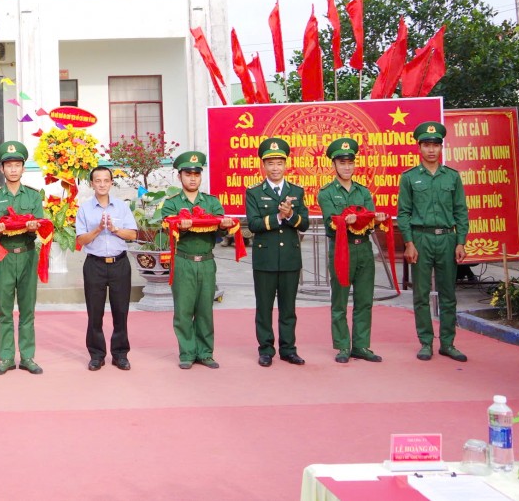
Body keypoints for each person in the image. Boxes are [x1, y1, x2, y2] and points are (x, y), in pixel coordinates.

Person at [398, 121, 469, 362]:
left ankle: (448, 343)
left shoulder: (451, 176)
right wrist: (408, 242)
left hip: (448, 238)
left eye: (435, 145)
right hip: (421, 238)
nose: (431, 150)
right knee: (421, 294)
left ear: (441, 148)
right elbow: (404, 213)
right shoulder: (409, 178)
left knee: (448, 293)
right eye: (426, 145)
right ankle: (426, 342)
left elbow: (461, 211)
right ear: (419, 147)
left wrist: (461, 241)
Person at [161, 151, 235, 370]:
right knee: (183, 309)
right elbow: (167, 231)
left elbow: (220, 230)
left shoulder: (211, 202)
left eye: (196, 174)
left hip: (206, 261)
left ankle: (205, 352)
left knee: (205, 309)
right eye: (187, 174)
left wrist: (224, 226)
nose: (192, 178)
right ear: (179, 176)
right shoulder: (172, 204)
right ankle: (187, 352)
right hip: (183, 261)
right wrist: (179, 228)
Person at [316, 138, 387, 365]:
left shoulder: (363, 191)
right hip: (341, 249)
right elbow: (331, 222)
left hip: (364, 248)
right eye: (342, 162)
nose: (347, 167)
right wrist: (350, 220)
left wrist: (377, 218)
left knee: (365, 299)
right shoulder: (326, 192)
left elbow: (370, 218)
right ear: (334, 165)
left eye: (350, 162)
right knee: (340, 300)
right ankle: (343, 346)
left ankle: (361, 345)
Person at [245, 137, 309, 368]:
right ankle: (266, 349)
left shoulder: (296, 191)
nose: (275, 168)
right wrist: (278, 217)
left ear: (286, 164)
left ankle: (288, 349)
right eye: (270, 163)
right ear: (263, 165)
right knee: (264, 307)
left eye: (279, 163)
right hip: (265, 258)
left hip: (290, 258)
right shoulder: (254, 192)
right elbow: (252, 224)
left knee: (288, 308)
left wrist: (291, 215)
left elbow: (304, 225)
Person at [0, 141, 46, 375]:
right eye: (8, 165)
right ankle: (6, 357)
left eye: (17, 165)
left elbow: (40, 226)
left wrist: (32, 227)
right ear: (1, 169)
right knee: (5, 310)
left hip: (28, 255)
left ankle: (28, 357)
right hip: (4, 257)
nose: (13, 169)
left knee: (28, 309)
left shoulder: (32, 196)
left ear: (23, 168)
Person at [75, 165, 138, 371]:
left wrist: (114, 229)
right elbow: (81, 239)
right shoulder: (84, 209)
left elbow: (133, 235)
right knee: (95, 313)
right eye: (97, 181)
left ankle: (120, 354)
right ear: (92, 183)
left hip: (119, 264)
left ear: (111, 183)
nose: (102, 184)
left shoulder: (121, 207)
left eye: (106, 180)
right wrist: (99, 229)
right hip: (95, 265)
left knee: (121, 311)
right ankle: (97, 354)